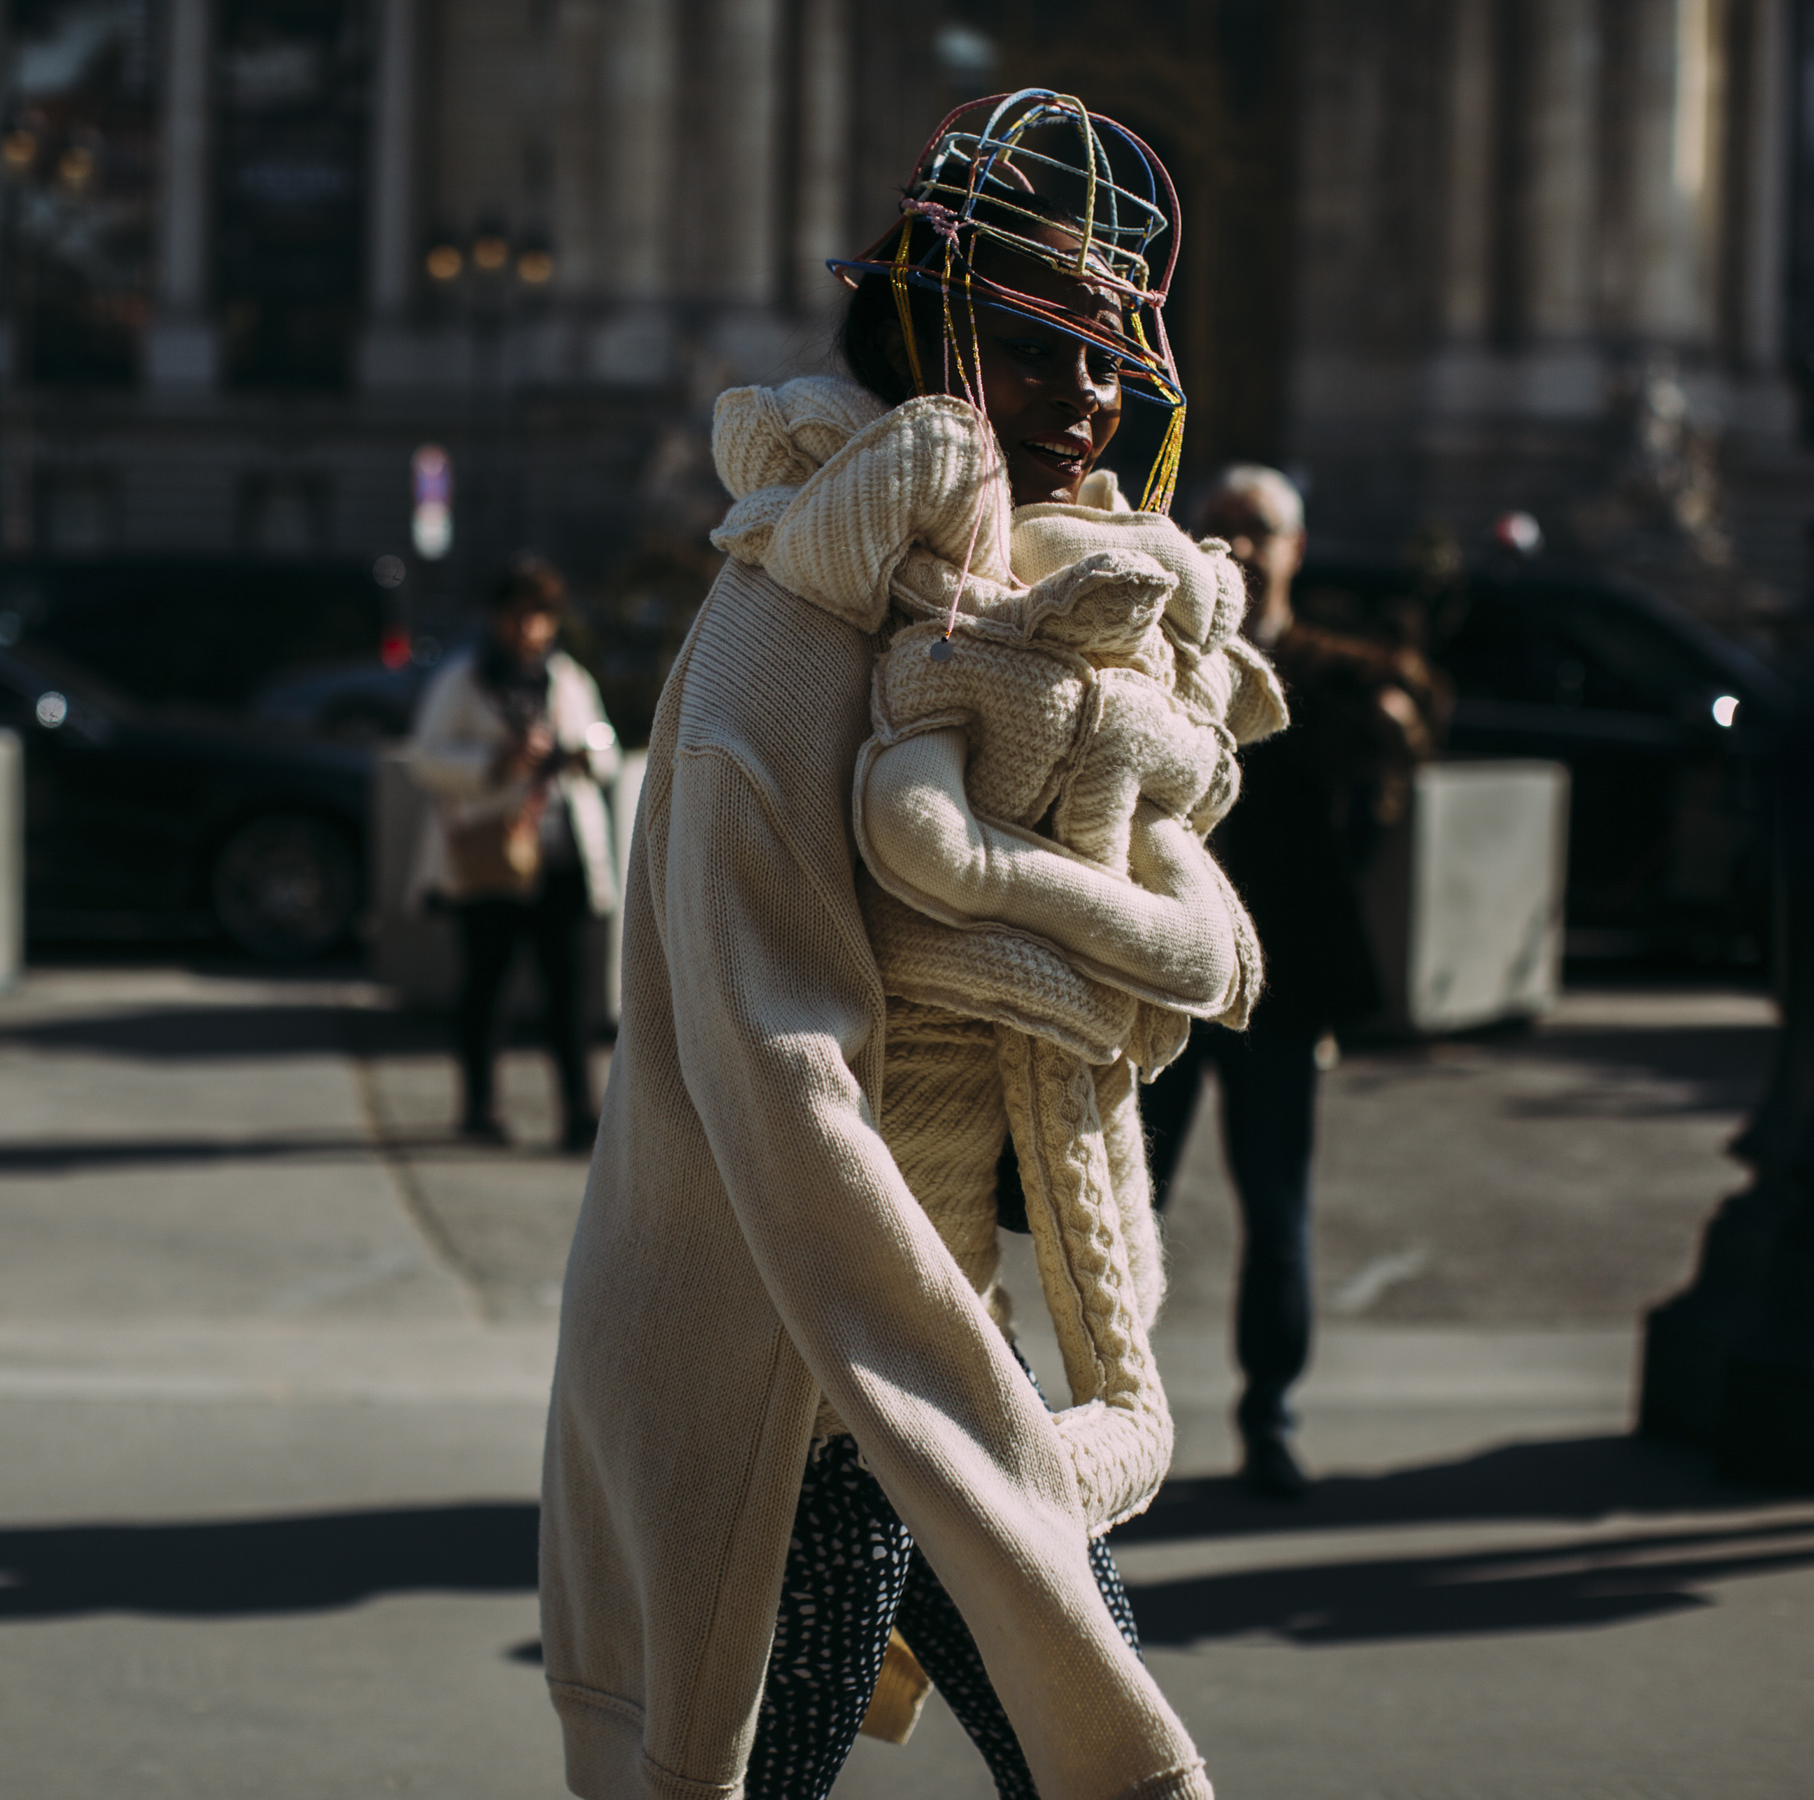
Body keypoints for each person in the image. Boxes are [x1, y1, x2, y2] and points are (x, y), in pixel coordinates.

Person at [541, 94, 1222, 1800]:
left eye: (1111, 358)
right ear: (927, 332)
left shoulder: (994, 618)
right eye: (1041, 349)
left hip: (910, 1339)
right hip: (809, 1355)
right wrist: (950, 1383)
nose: (1095, 401)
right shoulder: (787, 627)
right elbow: (782, 1079)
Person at [1135, 466, 1393, 1499]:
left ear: (1295, 548)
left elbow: (1390, 767)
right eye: (1221, 526)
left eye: (1261, 529)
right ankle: (1120, 1413)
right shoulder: (1152, 658)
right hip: (1159, 978)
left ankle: (1269, 1415)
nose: (1239, 545)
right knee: (1123, 1205)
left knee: (1276, 1210)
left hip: (1277, 992)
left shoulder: (1331, 672)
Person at [404, 558, 619, 1153]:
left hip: (562, 854)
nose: (531, 629)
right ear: (499, 618)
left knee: (567, 991)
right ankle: (479, 1107)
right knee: (486, 984)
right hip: (491, 854)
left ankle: (579, 1112)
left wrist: (580, 756)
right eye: (522, 615)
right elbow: (426, 757)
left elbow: (603, 742)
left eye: (542, 616)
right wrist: (498, 764)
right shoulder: (465, 678)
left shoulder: (567, 677)